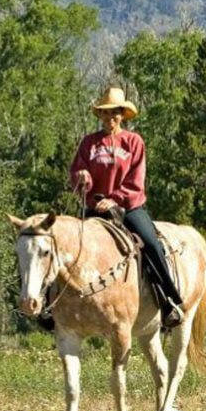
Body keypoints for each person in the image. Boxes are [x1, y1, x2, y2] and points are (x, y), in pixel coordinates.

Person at [69, 86, 185, 329]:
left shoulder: (134, 142)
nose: (110, 118)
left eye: (115, 113)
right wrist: (82, 178)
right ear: (100, 114)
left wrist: (116, 199)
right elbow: (79, 172)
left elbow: (136, 179)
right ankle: (54, 307)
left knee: (151, 243)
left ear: (122, 114)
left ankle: (169, 300)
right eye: (106, 113)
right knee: (65, 243)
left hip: (128, 208)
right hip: (96, 207)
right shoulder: (89, 143)